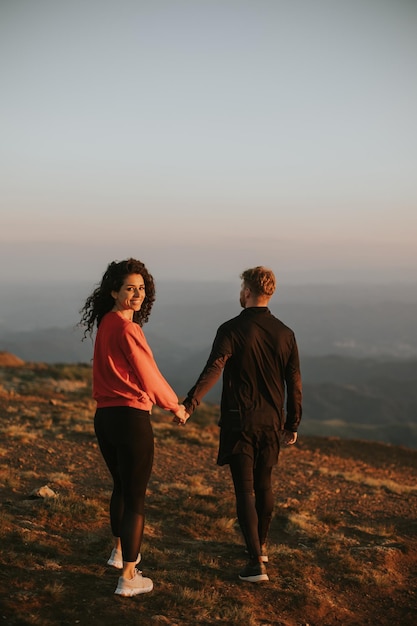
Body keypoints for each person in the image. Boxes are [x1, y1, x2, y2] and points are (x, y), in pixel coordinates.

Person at [177, 266, 302, 583]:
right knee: (265, 486)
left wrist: (190, 403)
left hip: (239, 420)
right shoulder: (286, 333)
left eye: (242, 288)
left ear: (246, 292)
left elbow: (214, 368)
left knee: (245, 491)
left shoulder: (230, 329)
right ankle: (260, 548)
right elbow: (294, 382)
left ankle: (255, 562)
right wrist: (292, 422)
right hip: (272, 422)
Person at [80, 258, 187, 597]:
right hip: (131, 420)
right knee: (136, 499)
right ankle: (129, 577)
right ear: (114, 291)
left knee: (121, 489)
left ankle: (118, 553)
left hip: (105, 419)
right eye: (130, 288)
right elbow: (148, 375)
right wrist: (175, 405)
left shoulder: (106, 324)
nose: (137, 294)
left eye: (142, 289)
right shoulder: (128, 329)